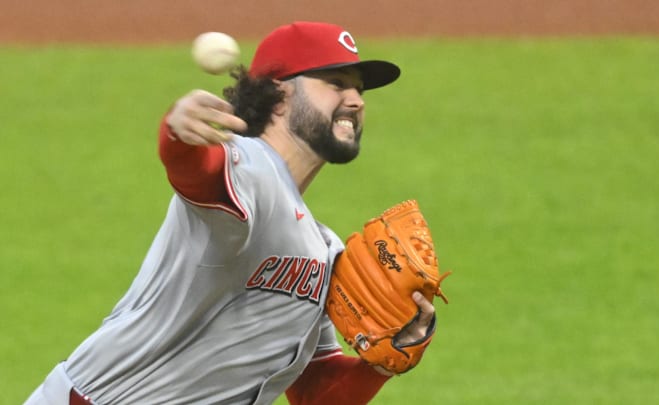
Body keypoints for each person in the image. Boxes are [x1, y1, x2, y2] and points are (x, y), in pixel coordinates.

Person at [25, 21, 436, 405]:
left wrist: (385, 360)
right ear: (279, 95)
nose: (356, 100)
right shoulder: (249, 168)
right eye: (336, 83)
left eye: (359, 89)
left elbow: (315, 390)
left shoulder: (322, 249)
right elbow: (198, 173)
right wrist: (177, 131)